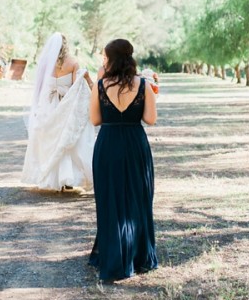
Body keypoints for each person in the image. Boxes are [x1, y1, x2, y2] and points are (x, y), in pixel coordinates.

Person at [88, 39, 158, 282]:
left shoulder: (99, 85)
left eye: (105, 57)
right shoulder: (144, 85)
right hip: (135, 144)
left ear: (113, 60)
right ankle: (139, 257)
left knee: (110, 200)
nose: (103, 61)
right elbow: (150, 119)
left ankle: (114, 256)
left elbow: (95, 120)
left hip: (108, 145)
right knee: (138, 198)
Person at [21, 32, 95, 191]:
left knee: (48, 138)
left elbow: (40, 88)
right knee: (68, 138)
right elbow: (76, 88)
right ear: (65, 45)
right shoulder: (73, 62)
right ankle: (67, 179)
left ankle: (50, 176)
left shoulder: (44, 63)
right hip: (65, 105)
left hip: (48, 105)